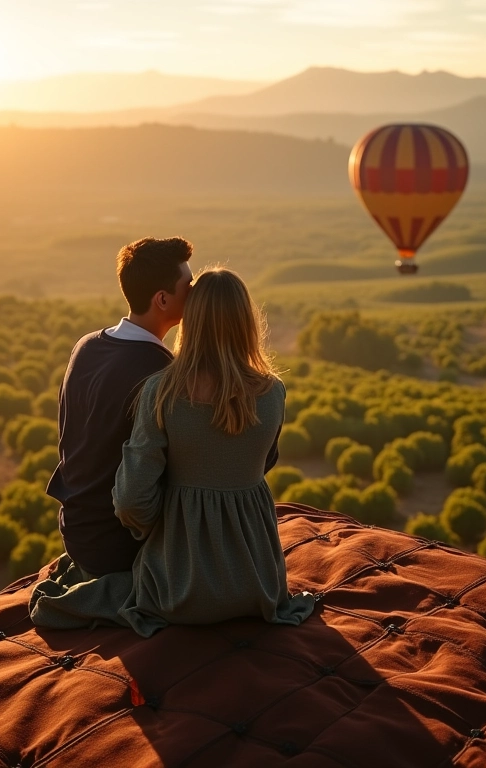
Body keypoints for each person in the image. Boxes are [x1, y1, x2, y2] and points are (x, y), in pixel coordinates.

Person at [30, 267, 313, 635]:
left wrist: (165, 529)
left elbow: (131, 500)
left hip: (178, 587)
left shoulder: (162, 393)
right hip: (259, 580)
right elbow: (263, 464)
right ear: (248, 321)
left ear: (191, 321)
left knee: (67, 598)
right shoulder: (274, 393)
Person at [46, 236, 194, 578]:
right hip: (121, 544)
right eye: (189, 285)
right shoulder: (160, 373)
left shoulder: (86, 346)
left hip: (78, 531)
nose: (195, 291)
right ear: (162, 299)